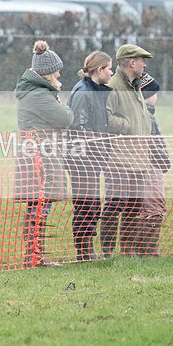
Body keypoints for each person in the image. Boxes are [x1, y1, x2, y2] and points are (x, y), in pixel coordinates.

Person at [14, 40, 73, 268]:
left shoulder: (38, 92)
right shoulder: (39, 95)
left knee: (39, 206)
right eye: (56, 70)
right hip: (40, 159)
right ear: (47, 73)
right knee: (39, 206)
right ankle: (35, 257)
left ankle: (36, 255)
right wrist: (64, 105)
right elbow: (65, 118)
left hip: (40, 156)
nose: (59, 73)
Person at [102, 44, 153, 257]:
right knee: (115, 206)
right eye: (142, 60)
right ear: (132, 63)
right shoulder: (113, 86)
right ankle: (106, 251)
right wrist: (127, 126)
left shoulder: (136, 85)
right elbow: (106, 117)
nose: (145, 64)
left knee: (135, 206)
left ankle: (128, 251)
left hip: (139, 159)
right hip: (119, 161)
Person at [66, 50, 113, 261]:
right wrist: (94, 149)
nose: (112, 73)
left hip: (93, 159)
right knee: (86, 205)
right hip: (81, 160)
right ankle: (83, 250)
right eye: (109, 69)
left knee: (92, 204)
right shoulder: (83, 92)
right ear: (100, 69)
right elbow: (78, 127)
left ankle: (87, 248)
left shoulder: (98, 90)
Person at [138, 72, 170, 256]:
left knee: (152, 207)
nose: (157, 96)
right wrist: (163, 160)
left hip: (153, 165)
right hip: (151, 166)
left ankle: (147, 249)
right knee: (154, 207)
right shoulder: (147, 117)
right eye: (154, 93)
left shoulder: (149, 115)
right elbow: (154, 145)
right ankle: (149, 250)